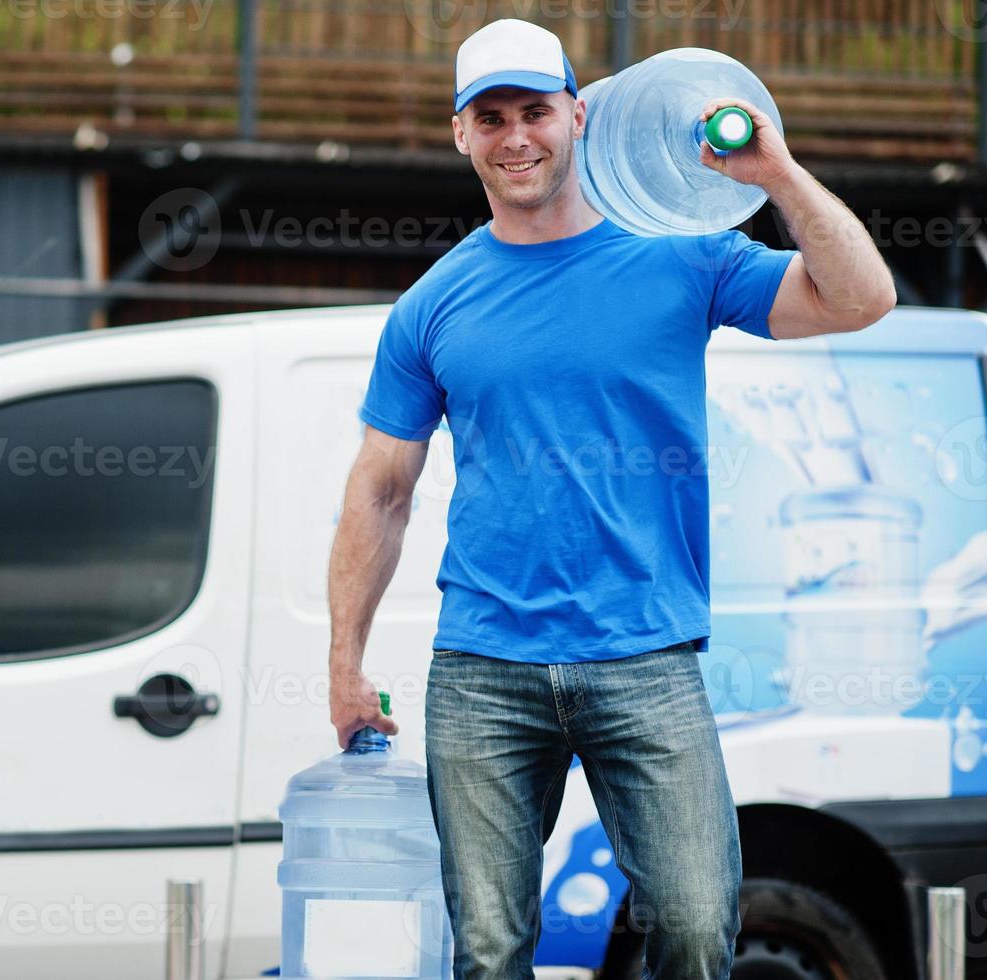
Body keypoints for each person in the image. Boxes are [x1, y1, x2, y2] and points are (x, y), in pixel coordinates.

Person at [325, 17, 895, 980]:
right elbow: (380, 491)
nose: (516, 137)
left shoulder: (679, 254)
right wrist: (344, 663)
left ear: (578, 114)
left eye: (535, 112)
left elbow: (861, 297)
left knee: (692, 926)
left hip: (644, 654)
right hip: (483, 666)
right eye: (490, 117)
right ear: (459, 134)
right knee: (490, 948)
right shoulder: (432, 304)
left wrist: (777, 175)